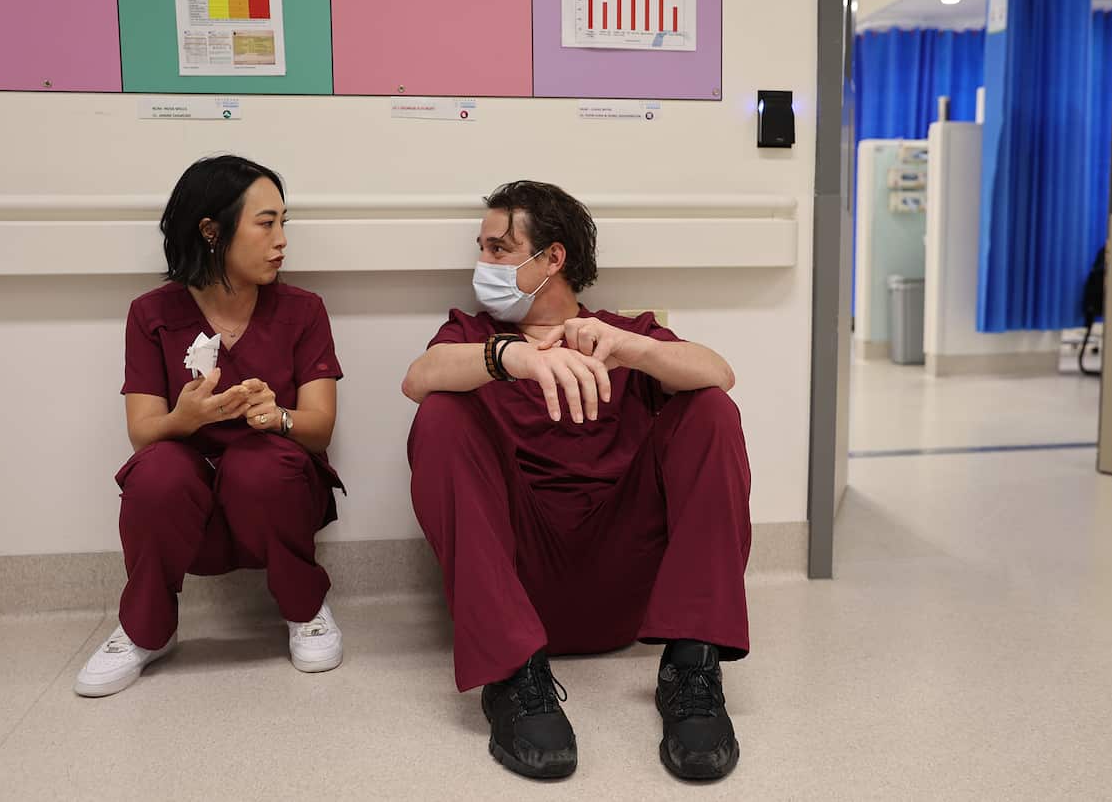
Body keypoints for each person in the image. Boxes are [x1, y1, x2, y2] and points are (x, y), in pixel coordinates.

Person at [402, 181, 752, 781]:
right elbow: (418, 377)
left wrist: (632, 348)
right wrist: (510, 357)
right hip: (516, 584)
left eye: (498, 249)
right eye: (481, 249)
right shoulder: (473, 335)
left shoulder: (618, 333)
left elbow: (718, 372)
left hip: (627, 581)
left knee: (711, 409)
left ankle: (692, 669)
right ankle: (513, 678)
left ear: (552, 259)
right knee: (438, 414)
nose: (482, 263)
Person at [75, 155, 346, 697]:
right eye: (265, 224)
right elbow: (142, 433)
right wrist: (185, 418)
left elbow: (319, 429)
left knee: (259, 466)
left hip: (271, 486)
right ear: (211, 231)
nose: (282, 240)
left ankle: (305, 609)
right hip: (187, 492)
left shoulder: (303, 310)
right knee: (156, 475)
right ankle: (145, 630)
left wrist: (278, 416)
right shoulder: (151, 314)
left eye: (283, 223)